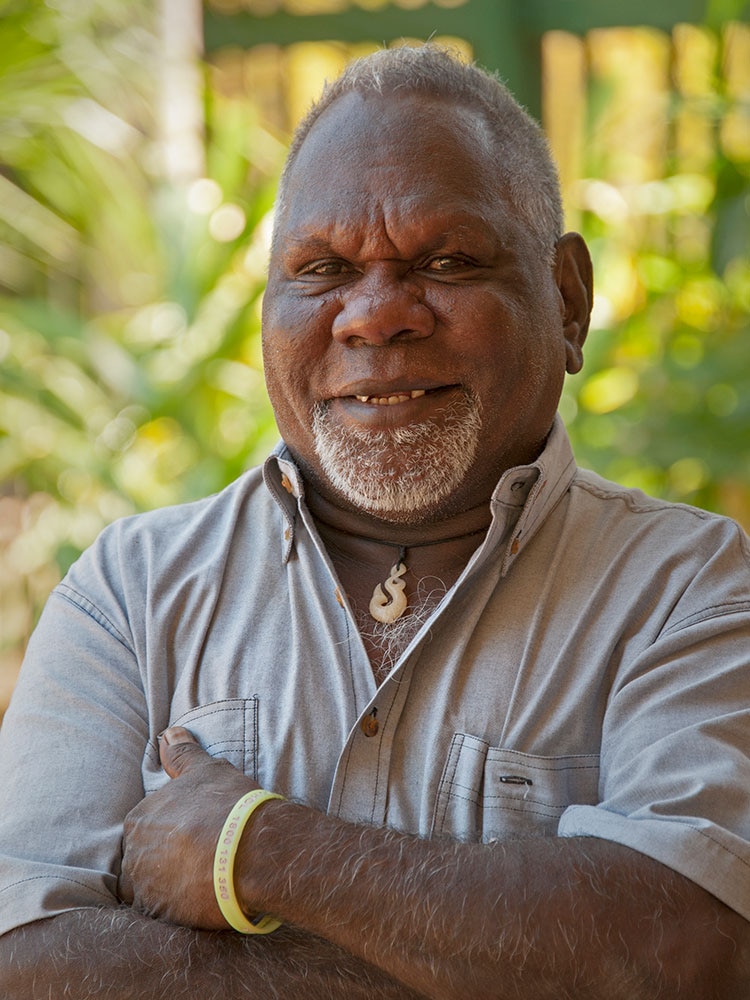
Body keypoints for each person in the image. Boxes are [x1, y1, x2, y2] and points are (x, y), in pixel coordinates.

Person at [0, 44, 749, 999]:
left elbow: (683, 948)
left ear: (568, 299)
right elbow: (26, 961)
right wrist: (506, 953)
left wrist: (262, 847)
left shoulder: (686, 586)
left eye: (445, 260)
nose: (375, 317)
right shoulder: (133, 592)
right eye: (320, 269)